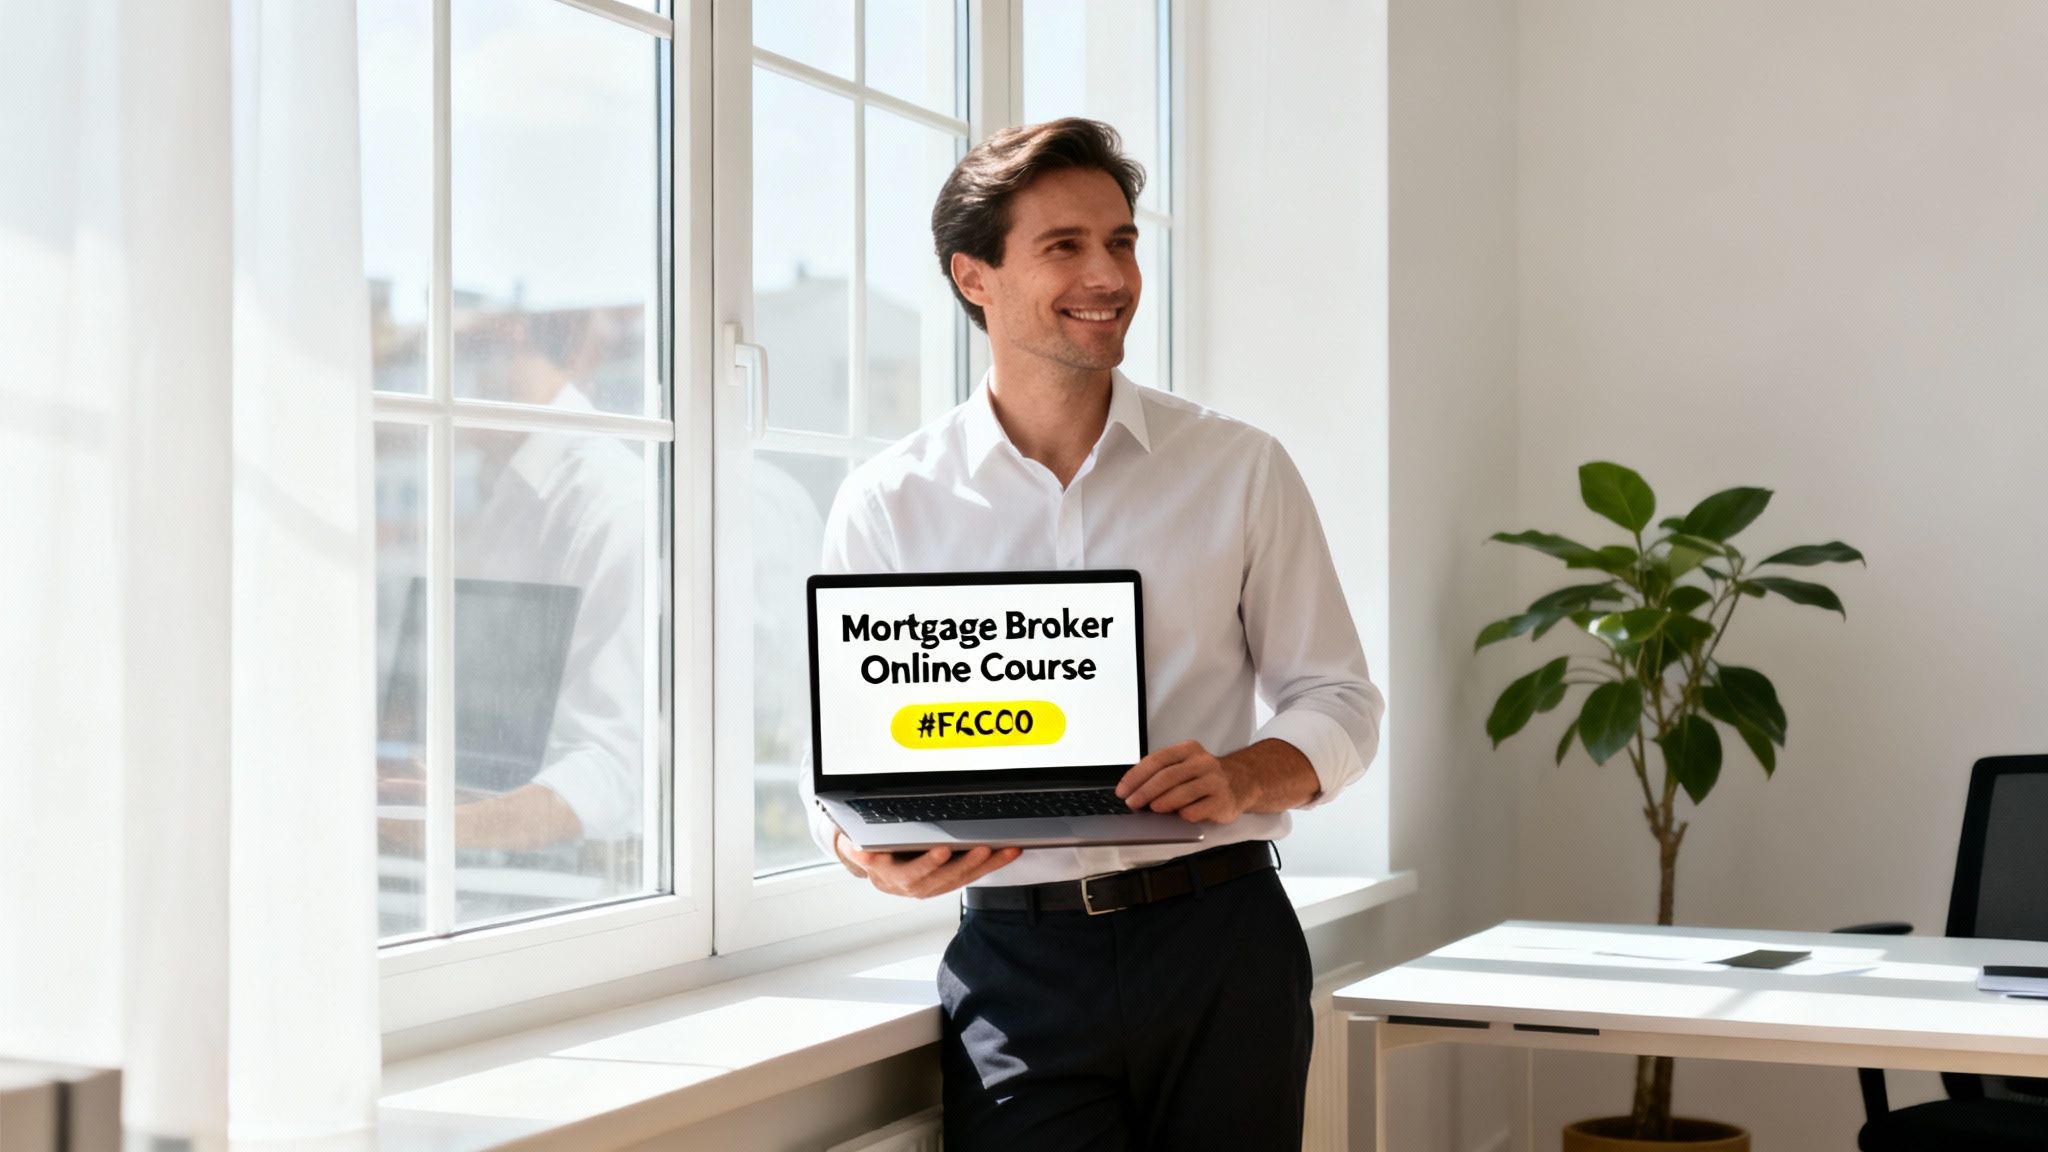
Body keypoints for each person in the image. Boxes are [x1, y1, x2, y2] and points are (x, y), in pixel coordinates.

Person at [801, 118, 1385, 1151]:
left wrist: (1246, 776)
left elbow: (1339, 701)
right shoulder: (888, 501)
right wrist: (865, 849)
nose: (1106, 273)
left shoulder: (1238, 467)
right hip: (1016, 964)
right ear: (972, 275)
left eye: (1119, 242)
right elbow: (840, 762)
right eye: (1062, 246)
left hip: (1221, 939)